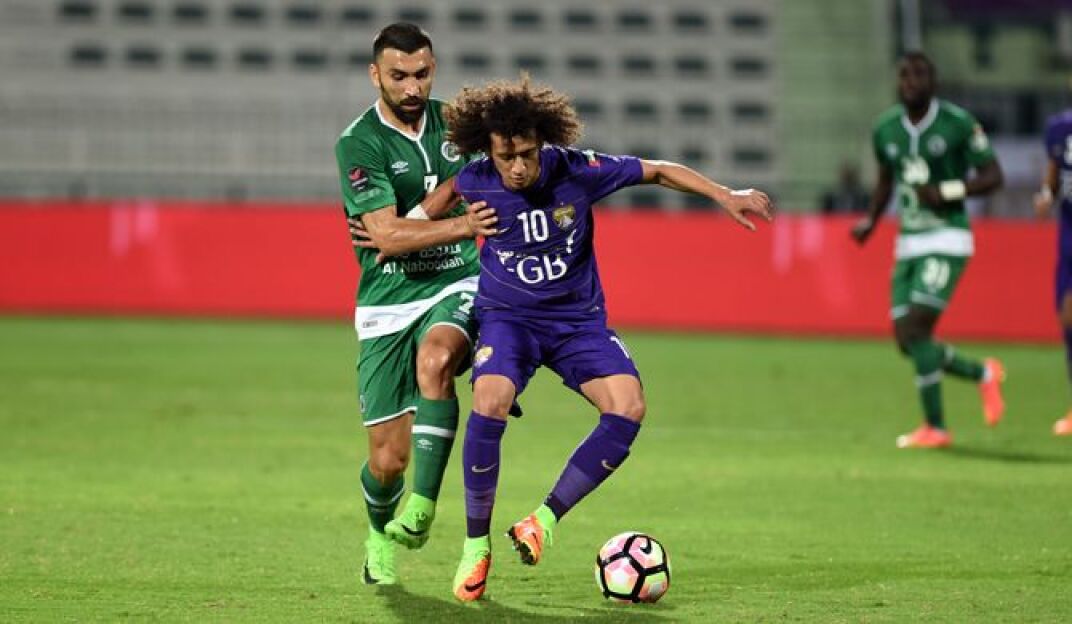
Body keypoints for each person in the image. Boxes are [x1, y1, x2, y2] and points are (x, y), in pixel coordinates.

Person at [437, 77, 773, 601]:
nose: (518, 167)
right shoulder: (475, 180)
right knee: (490, 397)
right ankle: (476, 546)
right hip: (508, 319)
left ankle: (542, 521)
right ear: (489, 150)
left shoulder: (577, 170)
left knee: (628, 405)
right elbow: (434, 206)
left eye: (527, 154)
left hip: (577, 322)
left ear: (542, 143)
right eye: (507, 157)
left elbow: (657, 170)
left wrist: (723, 194)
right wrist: (416, 230)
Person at [333, 22, 498, 586]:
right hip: (387, 301)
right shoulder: (359, 143)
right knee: (387, 462)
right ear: (375, 74)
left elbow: (471, 186)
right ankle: (379, 533)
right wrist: (455, 221)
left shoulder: (459, 125)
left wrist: (417, 223)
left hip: (457, 281)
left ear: (433, 69)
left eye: (421, 74)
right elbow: (385, 237)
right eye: (398, 75)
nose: (412, 87)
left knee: (437, 358)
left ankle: (423, 509)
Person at [850, 51, 1006, 449]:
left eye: (918, 75)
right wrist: (871, 220)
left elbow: (993, 176)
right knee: (907, 339)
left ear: (933, 83)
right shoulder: (886, 129)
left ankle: (935, 427)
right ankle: (983, 374)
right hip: (908, 242)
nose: (910, 82)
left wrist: (947, 191)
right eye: (904, 75)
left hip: (947, 237)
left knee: (918, 328)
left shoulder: (957, 123)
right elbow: (885, 181)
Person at [1034, 109, 1072, 435]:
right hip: (1069, 236)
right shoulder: (1059, 127)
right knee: (1068, 317)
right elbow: (1054, 176)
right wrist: (1047, 196)